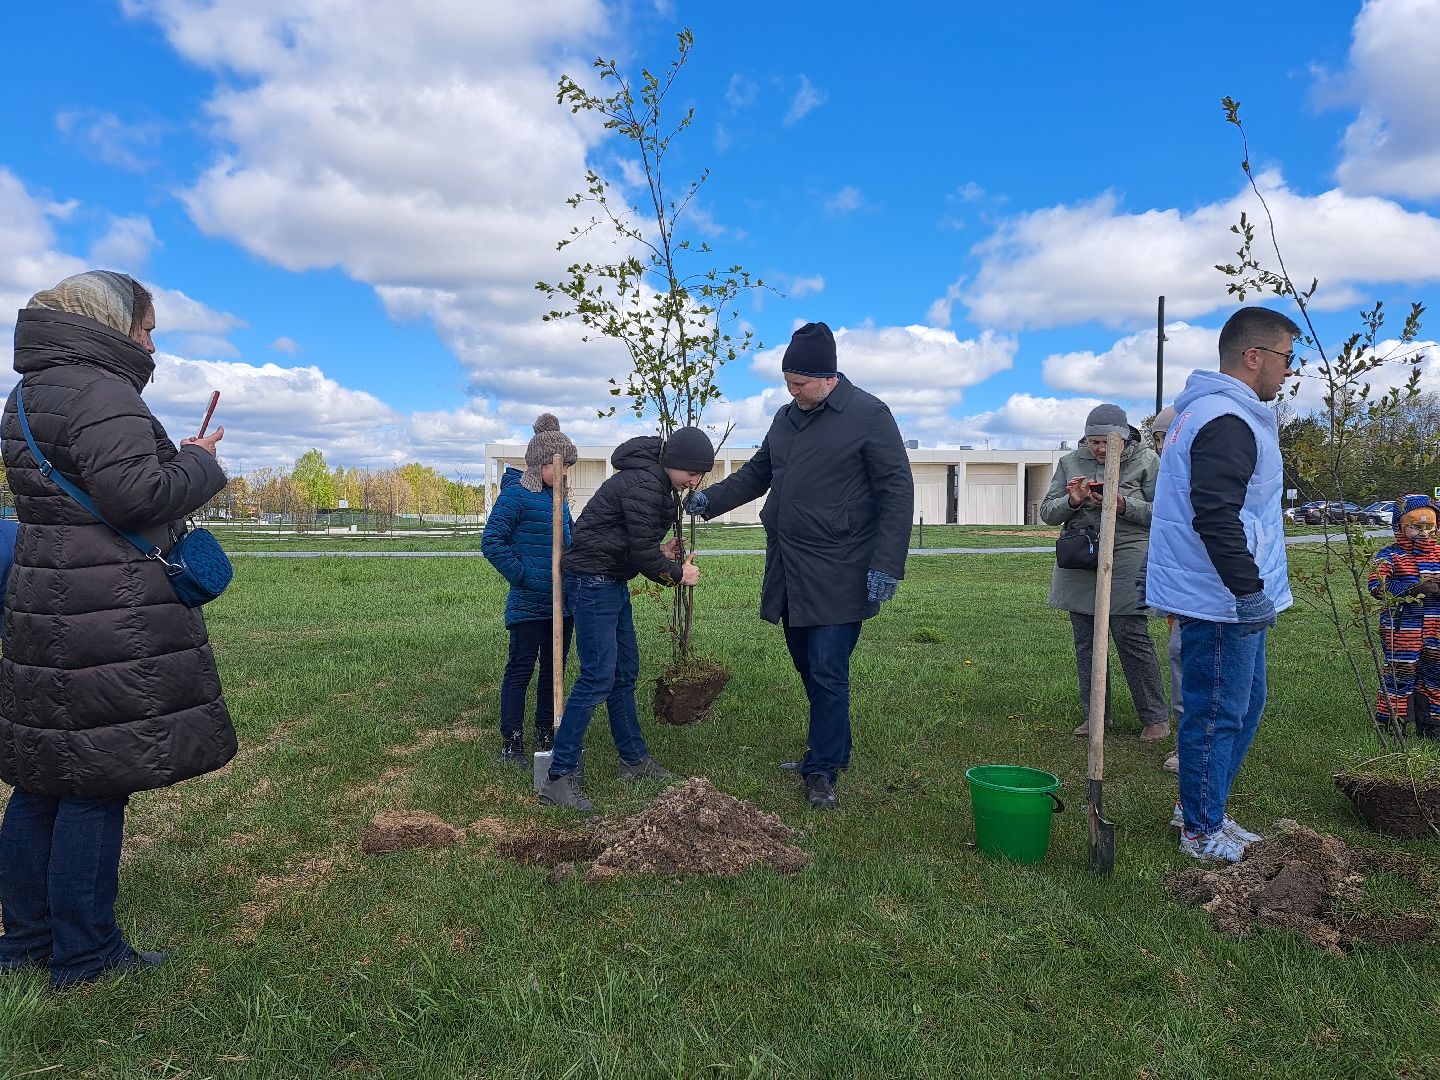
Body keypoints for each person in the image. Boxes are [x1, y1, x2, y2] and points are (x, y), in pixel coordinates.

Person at [0, 271, 233, 988]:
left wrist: (166, 459)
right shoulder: (103, 392)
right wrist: (198, 463)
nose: (152, 342)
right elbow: (134, 497)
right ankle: (86, 954)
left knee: (42, 779)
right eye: (147, 328)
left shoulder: (29, 393)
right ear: (110, 323)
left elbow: (90, 489)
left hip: (46, 598)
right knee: (96, 781)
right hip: (105, 611)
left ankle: (27, 940)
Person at [686, 322, 913, 811]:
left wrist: (887, 563)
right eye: (788, 382)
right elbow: (757, 473)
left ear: (828, 377)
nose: (792, 392)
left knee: (829, 668)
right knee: (807, 664)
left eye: (800, 384)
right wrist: (710, 500)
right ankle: (834, 745)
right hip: (789, 565)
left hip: (841, 565)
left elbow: (897, 491)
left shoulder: (869, 415)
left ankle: (823, 767)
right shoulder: (786, 419)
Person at [1146, 305, 1299, 862]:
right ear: (1253, 356)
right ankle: (1200, 830)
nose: (1288, 369)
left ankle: (1201, 808)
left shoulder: (1224, 414)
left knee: (1246, 702)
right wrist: (1247, 589)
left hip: (1225, 592)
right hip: (1218, 598)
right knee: (1216, 712)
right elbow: (1215, 515)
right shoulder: (1225, 420)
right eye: (1285, 357)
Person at [538, 427, 711, 812]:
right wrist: (676, 572)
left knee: (624, 672)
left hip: (610, 580)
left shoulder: (650, 480)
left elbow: (634, 544)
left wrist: (660, 550)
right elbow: (642, 556)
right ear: (676, 464)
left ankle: (633, 760)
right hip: (593, 583)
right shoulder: (645, 484)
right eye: (694, 474)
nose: (696, 482)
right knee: (598, 675)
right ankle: (559, 775)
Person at [1040, 404, 1168, 742]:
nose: (1099, 449)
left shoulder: (1147, 461)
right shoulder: (1070, 463)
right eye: (1093, 442)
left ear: (1124, 438)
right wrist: (1074, 500)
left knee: (1130, 635)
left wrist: (1123, 504)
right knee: (1086, 641)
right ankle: (1096, 715)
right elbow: (1047, 512)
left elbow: (1164, 513)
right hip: (1082, 553)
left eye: (1108, 443)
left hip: (1127, 553)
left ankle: (1155, 718)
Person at [481, 413, 577, 766]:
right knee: (521, 669)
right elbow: (492, 542)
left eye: (568, 466)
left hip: (562, 605)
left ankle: (546, 734)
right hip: (528, 604)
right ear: (542, 464)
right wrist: (525, 577)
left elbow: (572, 542)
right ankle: (512, 743)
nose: (566, 472)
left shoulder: (560, 500)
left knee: (555, 672)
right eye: (562, 465)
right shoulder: (515, 497)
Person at [1369, 494, 1440, 740]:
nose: (1423, 533)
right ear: (1399, 526)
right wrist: (1413, 590)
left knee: (1435, 672)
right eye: (1415, 527)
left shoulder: (1439, 554)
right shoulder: (1390, 555)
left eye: (1429, 526)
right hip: (1402, 628)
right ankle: (1394, 722)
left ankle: (1431, 723)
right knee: (1401, 671)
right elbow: (1377, 587)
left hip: (1436, 627)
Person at [1147, 404, 1185, 774]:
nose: (1161, 446)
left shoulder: (1195, 473)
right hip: (1174, 587)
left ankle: (1194, 745)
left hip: (1200, 590)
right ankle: (1190, 740)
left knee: (1187, 659)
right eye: (1158, 439)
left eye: (1165, 437)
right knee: (1179, 656)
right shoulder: (1169, 475)